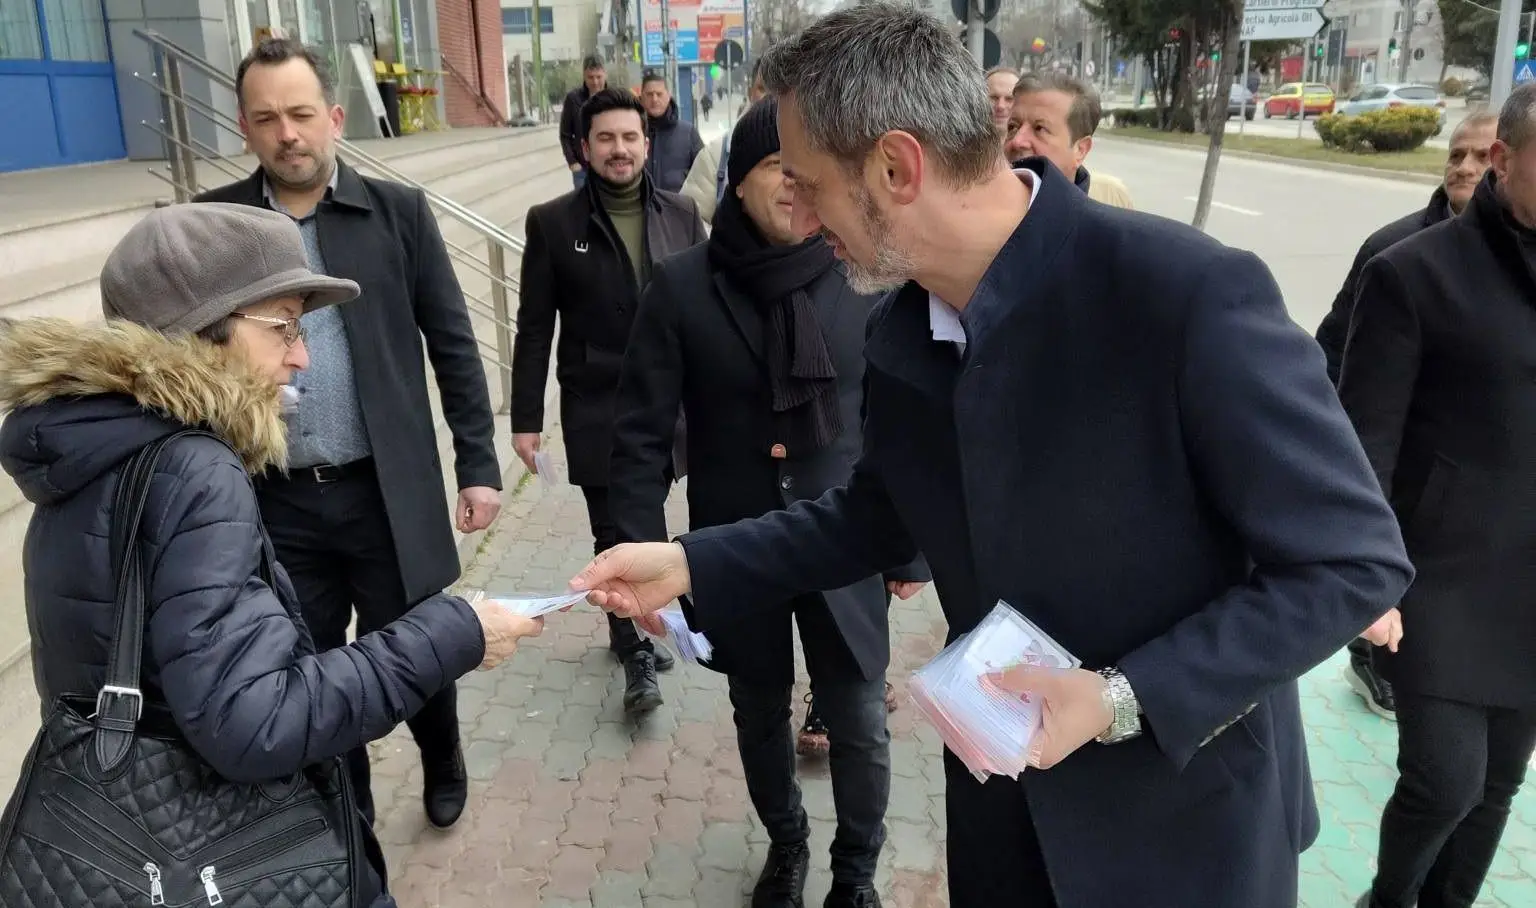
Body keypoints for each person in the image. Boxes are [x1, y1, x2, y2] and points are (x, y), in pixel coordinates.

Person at [569, 6, 1413, 908]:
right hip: (1002, 805)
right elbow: (876, 515)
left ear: (897, 168)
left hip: (1182, 822)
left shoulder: (1183, 295)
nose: (802, 217)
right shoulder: (905, 324)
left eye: (812, 186)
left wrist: (1124, 696)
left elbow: (1352, 562)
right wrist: (692, 562)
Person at [0, 203, 544, 907]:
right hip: (215, 858)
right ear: (201, 329)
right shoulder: (194, 471)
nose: (302, 355)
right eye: (282, 326)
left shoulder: (90, 443)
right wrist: (453, 632)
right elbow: (256, 722)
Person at [609, 97, 927, 908]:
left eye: (806, 173)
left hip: (846, 539)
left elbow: (908, 420)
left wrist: (913, 549)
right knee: (756, 713)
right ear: (739, 181)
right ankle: (787, 845)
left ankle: (856, 874)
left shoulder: (865, 271)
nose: (793, 186)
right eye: (775, 168)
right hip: (732, 546)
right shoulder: (682, 288)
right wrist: (642, 556)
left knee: (859, 718)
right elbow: (640, 439)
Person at [195, 37, 504, 831]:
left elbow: (454, 345)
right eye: (267, 119)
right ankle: (347, 806)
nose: (287, 134)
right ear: (244, 126)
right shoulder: (216, 224)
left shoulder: (397, 214)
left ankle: (443, 754)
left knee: (420, 643)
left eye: (301, 114)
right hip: (275, 499)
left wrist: (478, 464)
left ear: (334, 117)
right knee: (308, 666)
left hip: (385, 491)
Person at [1340, 85, 1536, 908]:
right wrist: (1367, 578)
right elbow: (1363, 443)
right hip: (1438, 578)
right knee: (1446, 782)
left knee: (1498, 785)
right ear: (1504, 161)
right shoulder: (1413, 273)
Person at [511, 87, 705, 715]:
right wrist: (525, 419)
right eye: (605, 139)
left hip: (672, 406)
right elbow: (534, 327)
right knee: (614, 528)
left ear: (647, 144)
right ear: (584, 147)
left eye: (629, 138)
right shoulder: (552, 222)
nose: (619, 150)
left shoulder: (682, 213)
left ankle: (640, 619)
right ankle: (634, 651)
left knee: (647, 521)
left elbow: (707, 304)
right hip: (598, 405)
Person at [1315, 110, 1497, 721]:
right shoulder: (1395, 251)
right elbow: (1334, 346)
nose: (1464, 167)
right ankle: (1371, 657)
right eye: (1456, 154)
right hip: (1406, 460)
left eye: (1480, 156)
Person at [1005, 70, 1133, 209]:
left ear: (1080, 150)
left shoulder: (1112, 201)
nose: (1017, 141)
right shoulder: (987, 209)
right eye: (1013, 127)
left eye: (1039, 128)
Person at [682, 58, 769, 222]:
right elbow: (690, 222)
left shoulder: (813, 152)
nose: (770, 97)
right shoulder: (716, 155)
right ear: (750, 92)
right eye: (762, 88)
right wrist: (726, 236)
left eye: (778, 88)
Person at [640, 71, 705, 193]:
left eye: (659, 94)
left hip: (678, 203)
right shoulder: (633, 134)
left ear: (668, 96)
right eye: (649, 94)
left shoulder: (688, 133)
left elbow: (704, 175)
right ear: (641, 98)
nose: (654, 99)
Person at [561, 56, 608, 189]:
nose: (595, 82)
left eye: (598, 77)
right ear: (584, 76)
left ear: (605, 74)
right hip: (582, 169)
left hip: (607, 167)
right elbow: (565, 134)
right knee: (584, 202)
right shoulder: (573, 99)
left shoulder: (613, 98)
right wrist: (572, 161)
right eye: (590, 77)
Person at [984, 66, 1019, 137]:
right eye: (994, 98)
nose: (1000, 106)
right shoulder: (961, 142)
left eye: (1009, 99)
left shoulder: (1036, 143)